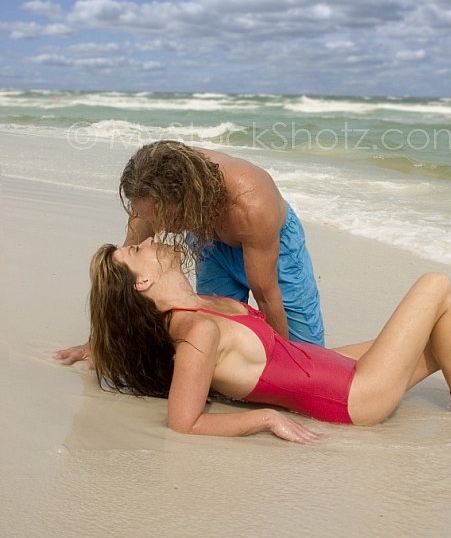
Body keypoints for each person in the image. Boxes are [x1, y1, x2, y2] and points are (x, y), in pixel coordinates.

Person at [87, 237, 451, 444]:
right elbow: (183, 422)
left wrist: (94, 349)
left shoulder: (203, 303)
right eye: (135, 251)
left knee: (449, 339)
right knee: (436, 285)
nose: (145, 241)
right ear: (142, 282)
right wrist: (264, 419)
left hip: (328, 365)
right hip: (351, 398)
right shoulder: (196, 334)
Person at [56, 140, 325, 369]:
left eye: (161, 217)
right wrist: (99, 341)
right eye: (148, 215)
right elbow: (123, 273)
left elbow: (266, 294)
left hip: (269, 243)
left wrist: (287, 370)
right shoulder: (151, 185)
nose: (155, 225)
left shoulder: (251, 204)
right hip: (211, 240)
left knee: (309, 356)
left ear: (186, 201)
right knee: (219, 346)